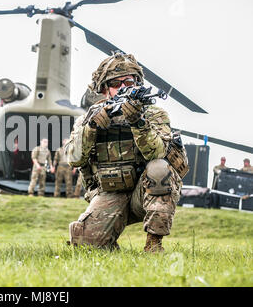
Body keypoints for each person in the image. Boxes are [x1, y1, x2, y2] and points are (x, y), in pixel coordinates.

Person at [65, 52, 188, 252]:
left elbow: (157, 153)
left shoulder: (153, 114)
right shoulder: (88, 119)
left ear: (137, 84)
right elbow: (74, 159)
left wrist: (138, 123)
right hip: (110, 192)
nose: (123, 87)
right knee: (88, 247)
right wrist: (91, 129)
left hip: (145, 193)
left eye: (128, 82)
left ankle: (153, 244)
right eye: (115, 83)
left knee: (159, 169)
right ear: (105, 90)